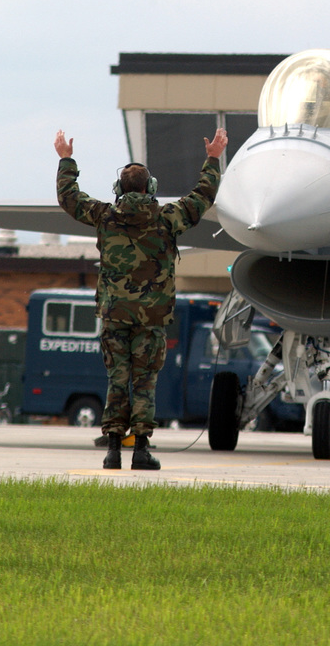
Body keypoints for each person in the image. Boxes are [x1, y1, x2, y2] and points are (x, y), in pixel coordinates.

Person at [54, 127, 228, 471]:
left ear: (119, 190)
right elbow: (203, 196)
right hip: (151, 320)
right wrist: (212, 159)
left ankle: (113, 449)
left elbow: (69, 198)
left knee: (117, 379)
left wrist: (66, 160)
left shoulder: (105, 216)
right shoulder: (168, 218)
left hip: (115, 316)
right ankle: (142, 450)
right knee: (144, 382)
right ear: (151, 188)